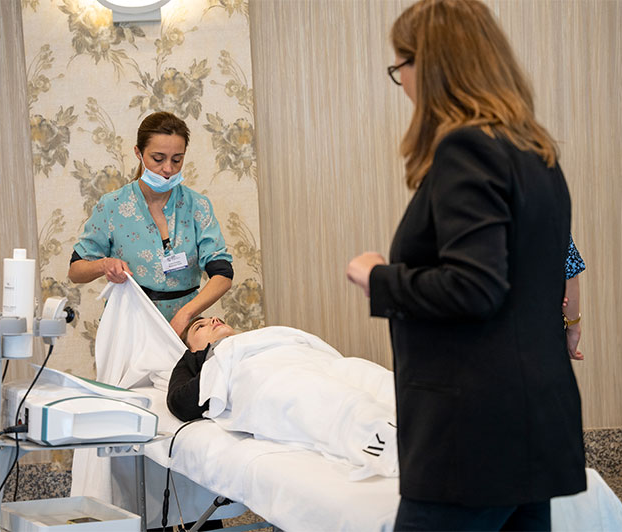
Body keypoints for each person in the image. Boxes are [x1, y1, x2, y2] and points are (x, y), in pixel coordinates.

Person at [346, 1, 586, 530]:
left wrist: (377, 276)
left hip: (473, 435)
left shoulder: (466, 148)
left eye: (401, 67)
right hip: (533, 421)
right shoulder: (533, 149)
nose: (402, 83)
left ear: (431, 65)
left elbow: (475, 286)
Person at [166, 316, 400, 481]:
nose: (214, 320)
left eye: (215, 318)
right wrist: (201, 359)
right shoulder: (214, 363)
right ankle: (387, 439)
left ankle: (417, 416)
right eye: (200, 326)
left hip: (308, 358)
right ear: (191, 351)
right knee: (329, 397)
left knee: (368, 376)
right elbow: (179, 403)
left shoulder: (261, 337)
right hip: (271, 374)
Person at [69, 111, 233, 335]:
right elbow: (75, 271)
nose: (168, 169)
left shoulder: (197, 206)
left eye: (177, 159)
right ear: (138, 153)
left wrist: (185, 314)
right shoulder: (112, 206)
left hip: (183, 329)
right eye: (158, 159)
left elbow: (223, 274)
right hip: (129, 328)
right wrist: (104, 264)